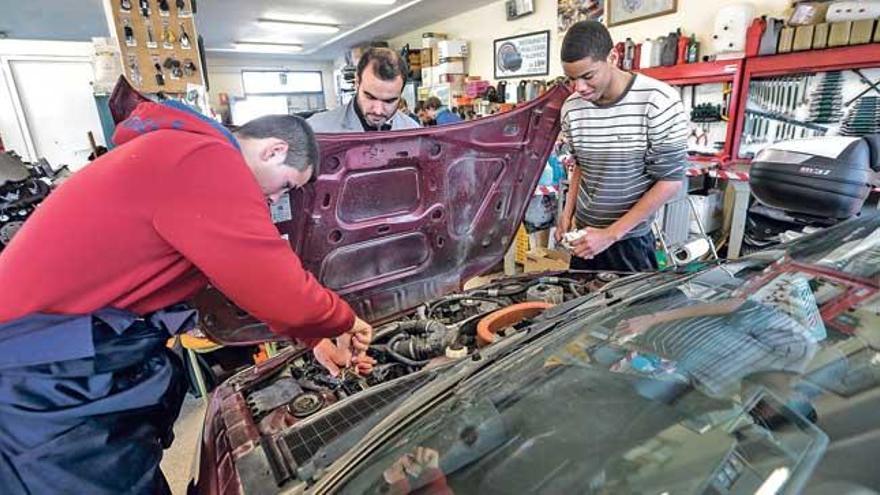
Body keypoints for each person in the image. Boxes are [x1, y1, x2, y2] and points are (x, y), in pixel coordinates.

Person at [0, 86, 375, 494]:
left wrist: (313, 335)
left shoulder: (178, 152)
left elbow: (235, 286)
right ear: (274, 150)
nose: (276, 199)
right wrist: (342, 318)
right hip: (35, 369)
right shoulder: (207, 159)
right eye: (286, 186)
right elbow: (274, 285)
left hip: (58, 353)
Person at [555, 21, 687, 272]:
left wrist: (610, 234)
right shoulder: (571, 108)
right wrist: (566, 215)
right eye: (571, 79)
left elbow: (670, 181)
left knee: (634, 312)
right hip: (584, 239)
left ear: (613, 57)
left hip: (630, 243)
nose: (579, 88)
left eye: (588, 76)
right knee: (580, 308)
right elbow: (580, 166)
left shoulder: (658, 101)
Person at [308, 47, 421, 133]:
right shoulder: (316, 131)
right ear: (357, 82)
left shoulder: (413, 130)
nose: (378, 110)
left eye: (389, 101)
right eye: (370, 97)